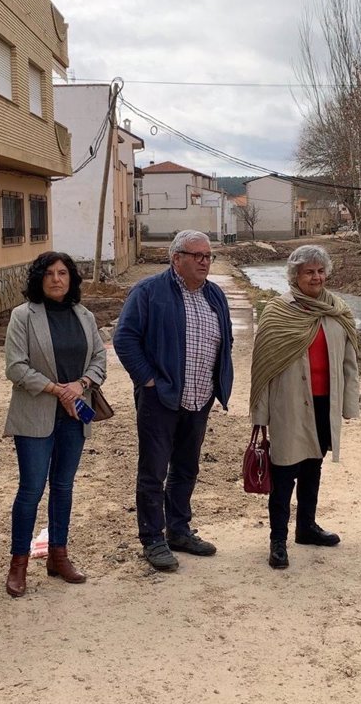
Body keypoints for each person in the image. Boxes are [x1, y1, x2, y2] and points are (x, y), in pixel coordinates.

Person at [113, 229, 233, 572]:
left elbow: (225, 340)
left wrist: (219, 383)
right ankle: (153, 538)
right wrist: (148, 380)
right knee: (153, 471)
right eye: (197, 256)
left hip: (199, 397)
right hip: (160, 399)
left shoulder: (215, 295)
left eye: (208, 256)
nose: (204, 262)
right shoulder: (149, 291)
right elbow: (124, 338)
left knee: (186, 467)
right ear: (176, 258)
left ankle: (178, 530)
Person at [2, 251, 107, 597]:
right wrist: (57, 390)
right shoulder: (23, 316)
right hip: (35, 415)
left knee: (63, 486)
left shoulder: (84, 315)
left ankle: (58, 556)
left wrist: (82, 386)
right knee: (31, 489)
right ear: (39, 278)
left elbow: (99, 358)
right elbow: (15, 367)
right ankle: (18, 564)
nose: (56, 279)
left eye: (63, 272)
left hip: (75, 416)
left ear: (71, 278)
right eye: (49, 273)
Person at [250, 244, 360, 570]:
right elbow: (263, 367)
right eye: (309, 271)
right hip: (289, 407)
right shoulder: (277, 312)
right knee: (284, 474)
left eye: (320, 271)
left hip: (325, 404)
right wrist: (261, 415)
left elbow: (349, 362)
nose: (316, 277)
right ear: (295, 275)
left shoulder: (336, 311)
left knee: (314, 468)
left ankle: (306, 528)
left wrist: (349, 405)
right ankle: (277, 541)